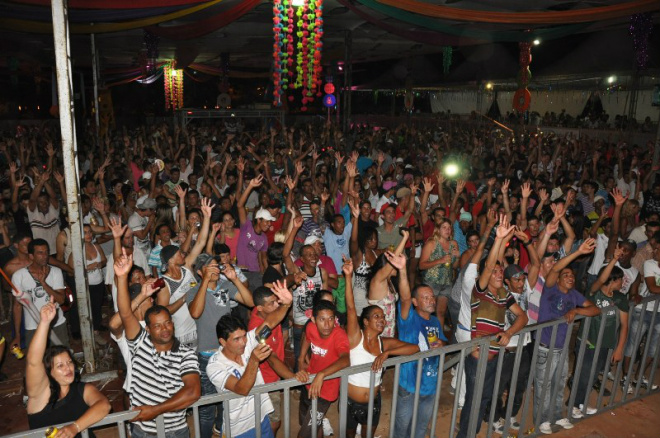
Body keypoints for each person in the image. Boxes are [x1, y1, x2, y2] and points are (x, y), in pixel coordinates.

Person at [114, 250, 201, 438]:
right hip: (144, 432)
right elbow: (125, 314)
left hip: (176, 430)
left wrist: (156, 410)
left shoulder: (186, 353)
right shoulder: (139, 344)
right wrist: (121, 278)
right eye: (158, 326)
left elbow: (193, 392)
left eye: (168, 323)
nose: (165, 329)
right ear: (147, 329)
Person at [457, 216, 528, 438]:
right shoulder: (480, 291)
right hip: (479, 358)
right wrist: (498, 239)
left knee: (485, 399)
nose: (498, 274)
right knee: (474, 400)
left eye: (500, 272)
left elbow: (523, 318)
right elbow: (488, 266)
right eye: (494, 272)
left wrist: (508, 332)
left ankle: (472, 433)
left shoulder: (504, 294)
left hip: (495, 356)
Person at [343, 256, 418, 438]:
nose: (382, 320)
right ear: (365, 321)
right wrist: (348, 276)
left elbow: (414, 348)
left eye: (383, 317)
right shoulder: (355, 337)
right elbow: (351, 308)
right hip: (350, 402)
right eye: (376, 316)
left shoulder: (384, 342)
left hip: (374, 403)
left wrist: (388, 354)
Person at [206, 280, 293, 438]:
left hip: (262, 418)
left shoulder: (249, 341)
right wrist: (253, 360)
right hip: (239, 429)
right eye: (236, 339)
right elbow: (242, 389)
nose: (243, 342)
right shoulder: (215, 365)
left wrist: (286, 305)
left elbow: (270, 322)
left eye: (244, 336)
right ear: (223, 342)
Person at [534, 238, 600, 435]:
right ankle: (542, 419)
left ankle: (557, 415)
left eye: (572, 275)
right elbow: (554, 270)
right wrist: (578, 252)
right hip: (545, 347)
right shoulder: (550, 289)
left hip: (562, 348)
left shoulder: (574, 295)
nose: (571, 277)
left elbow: (595, 310)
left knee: (559, 383)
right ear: (559, 278)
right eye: (567, 275)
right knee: (543, 385)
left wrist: (577, 310)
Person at [188, 253, 255, 438]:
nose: (216, 270)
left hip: (228, 354)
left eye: (216, 266)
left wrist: (235, 279)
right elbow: (195, 312)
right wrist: (204, 282)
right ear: (201, 272)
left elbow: (250, 302)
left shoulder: (225, 286)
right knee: (207, 407)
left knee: (226, 401)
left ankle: (220, 428)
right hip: (206, 355)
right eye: (210, 267)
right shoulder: (193, 291)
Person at [26, 297, 111, 437]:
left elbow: (104, 405)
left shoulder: (82, 389)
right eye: (60, 365)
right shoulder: (40, 394)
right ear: (49, 371)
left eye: (69, 362)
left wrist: (74, 427)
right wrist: (44, 323)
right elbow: (33, 362)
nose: (68, 368)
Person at [393, 250, 447, 438]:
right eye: (426, 297)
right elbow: (405, 297)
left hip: (430, 386)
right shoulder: (408, 318)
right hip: (409, 386)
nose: (431, 300)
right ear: (415, 302)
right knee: (402, 430)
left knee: (421, 429)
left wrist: (442, 345)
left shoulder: (434, 321)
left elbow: (442, 345)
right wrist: (402, 270)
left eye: (432, 297)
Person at [571, 250, 629, 418]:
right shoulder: (593, 292)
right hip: (588, 341)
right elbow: (601, 279)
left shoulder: (620, 298)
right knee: (584, 374)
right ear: (613, 279)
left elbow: (625, 325)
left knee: (593, 375)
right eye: (620, 279)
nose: (623, 282)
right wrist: (615, 259)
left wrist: (619, 349)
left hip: (605, 344)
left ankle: (579, 402)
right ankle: (575, 404)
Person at [157, 197, 214, 350]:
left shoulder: (187, 267)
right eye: (178, 254)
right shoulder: (164, 284)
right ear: (170, 260)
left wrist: (207, 217)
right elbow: (162, 311)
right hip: (183, 333)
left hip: (200, 325)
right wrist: (184, 298)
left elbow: (201, 242)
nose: (183, 254)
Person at [295, 298, 350, 438]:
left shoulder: (339, 335)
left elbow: (345, 359)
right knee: (310, 424)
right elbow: (307, 339)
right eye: (322, 319)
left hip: (326, 390)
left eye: (331, 319)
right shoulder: (310, 328)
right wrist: (301, 357)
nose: (327, 325)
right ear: (313, 319)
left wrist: (322, 374)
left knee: (305, 434)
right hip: (308, 382)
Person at [12, 239, 69, 348]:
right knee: (36, 360)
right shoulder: (19, 276)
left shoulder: (56, 272)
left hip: (56, 323)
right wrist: (18, 335)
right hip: (33, 326)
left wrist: (44, 283)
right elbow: (17, 306)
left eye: (46, 252)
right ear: (31, 256)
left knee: (61, 356)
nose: (45, 256)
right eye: (40, 253)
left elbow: (61, 300)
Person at [67, 224, 107, 346]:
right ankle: (85, 333)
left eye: (90, 232)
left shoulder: (96, 246)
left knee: (96, 307)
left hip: (98, 282)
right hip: (85, 285)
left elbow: (104, 260)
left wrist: (100, 264)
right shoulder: (76, 252)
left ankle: (96, 330)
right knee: (86, 310)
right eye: (85, 232)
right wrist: (85, 268)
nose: (88, 235)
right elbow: (70, 271)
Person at [419, 218, 459, 329]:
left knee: (441, 312)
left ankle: (440, 338)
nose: (447, 230)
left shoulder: (453, 244)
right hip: (432, 282)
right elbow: (421, 265)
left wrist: (457, 257)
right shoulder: (431, 243)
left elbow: (455, 266)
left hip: (447, 282)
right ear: (438, 230)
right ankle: (425, 335)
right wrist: (440, 260)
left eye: (449, 228)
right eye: (444, 227)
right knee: (428, 311)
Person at [236, 175, 273, 273]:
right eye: (267, 221)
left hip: (256, 271)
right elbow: (240, 205)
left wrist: (267, 273)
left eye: (270, 221)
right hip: (242, 270)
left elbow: (264, 258)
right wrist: (250, 186)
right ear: (259, 220)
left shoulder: (264, 238)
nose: (269, 224)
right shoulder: (246, 226)